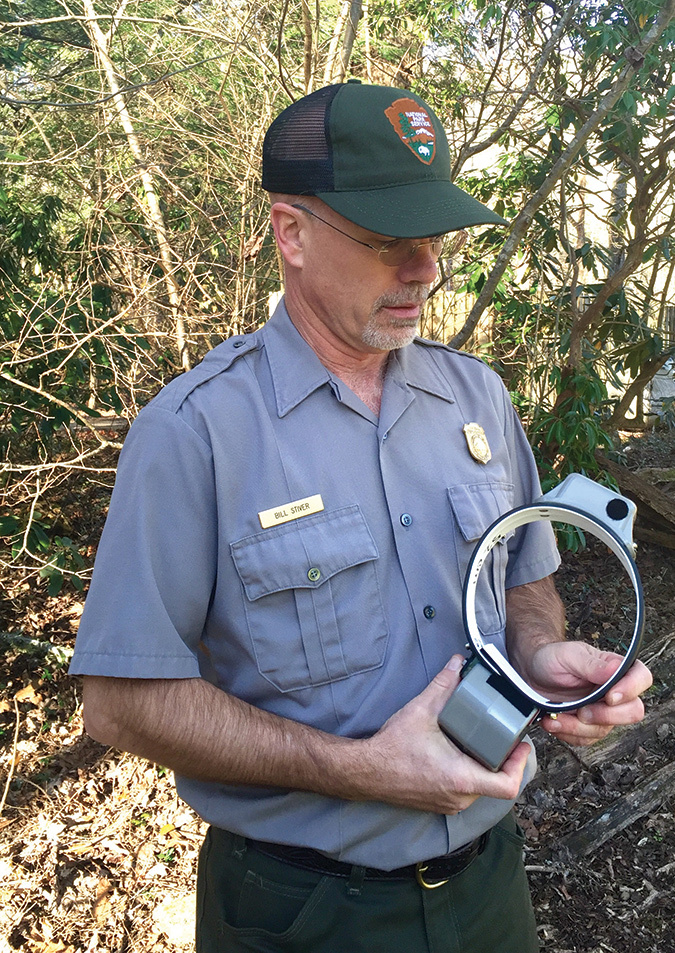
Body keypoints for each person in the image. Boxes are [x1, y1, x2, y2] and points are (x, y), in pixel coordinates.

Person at [70, 82, 652, 953]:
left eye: (433, 239)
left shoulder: (476, 397)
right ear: (290, 232)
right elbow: (120, 701)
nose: (424, 268)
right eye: (387, 242)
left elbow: (526, 580)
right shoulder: (195, 434)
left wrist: (540, 655)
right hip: (299, 910)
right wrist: (360, 771)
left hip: (489, 886)